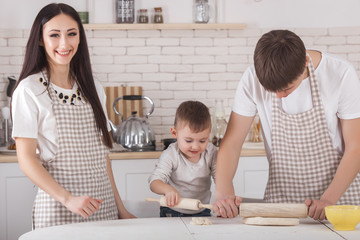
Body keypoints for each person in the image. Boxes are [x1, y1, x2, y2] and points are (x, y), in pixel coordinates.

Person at [212, 30, 360, 220]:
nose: (279, 96)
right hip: (282, 205)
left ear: (305, 63)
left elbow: (355, 147)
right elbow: (231, 143)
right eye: (271, 91)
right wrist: (223, 192)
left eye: (286, 89)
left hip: (339, 203)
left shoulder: (340, 74)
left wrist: (329, 201)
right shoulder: (251, 78)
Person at [11, 3, 135, 229]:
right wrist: (68, 199)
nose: (64, 44)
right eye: (54, 35)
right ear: (40, 39)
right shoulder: (29, 90)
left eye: (71, 34)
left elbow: (102, 158)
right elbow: (26, 159)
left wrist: (120, 209)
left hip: (102, 210)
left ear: (80, 38)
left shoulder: (93, 87)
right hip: (59, 211)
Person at [148, 101, 217, 217]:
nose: (195, 146)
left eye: (202, 140)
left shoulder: (211, 153)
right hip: (171, 211)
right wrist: (167, 189)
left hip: (202, 210)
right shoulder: (171, 154)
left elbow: (220, 180)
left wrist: (226, 197)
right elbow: (154, 183)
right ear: (174, 133)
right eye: (189, 141)